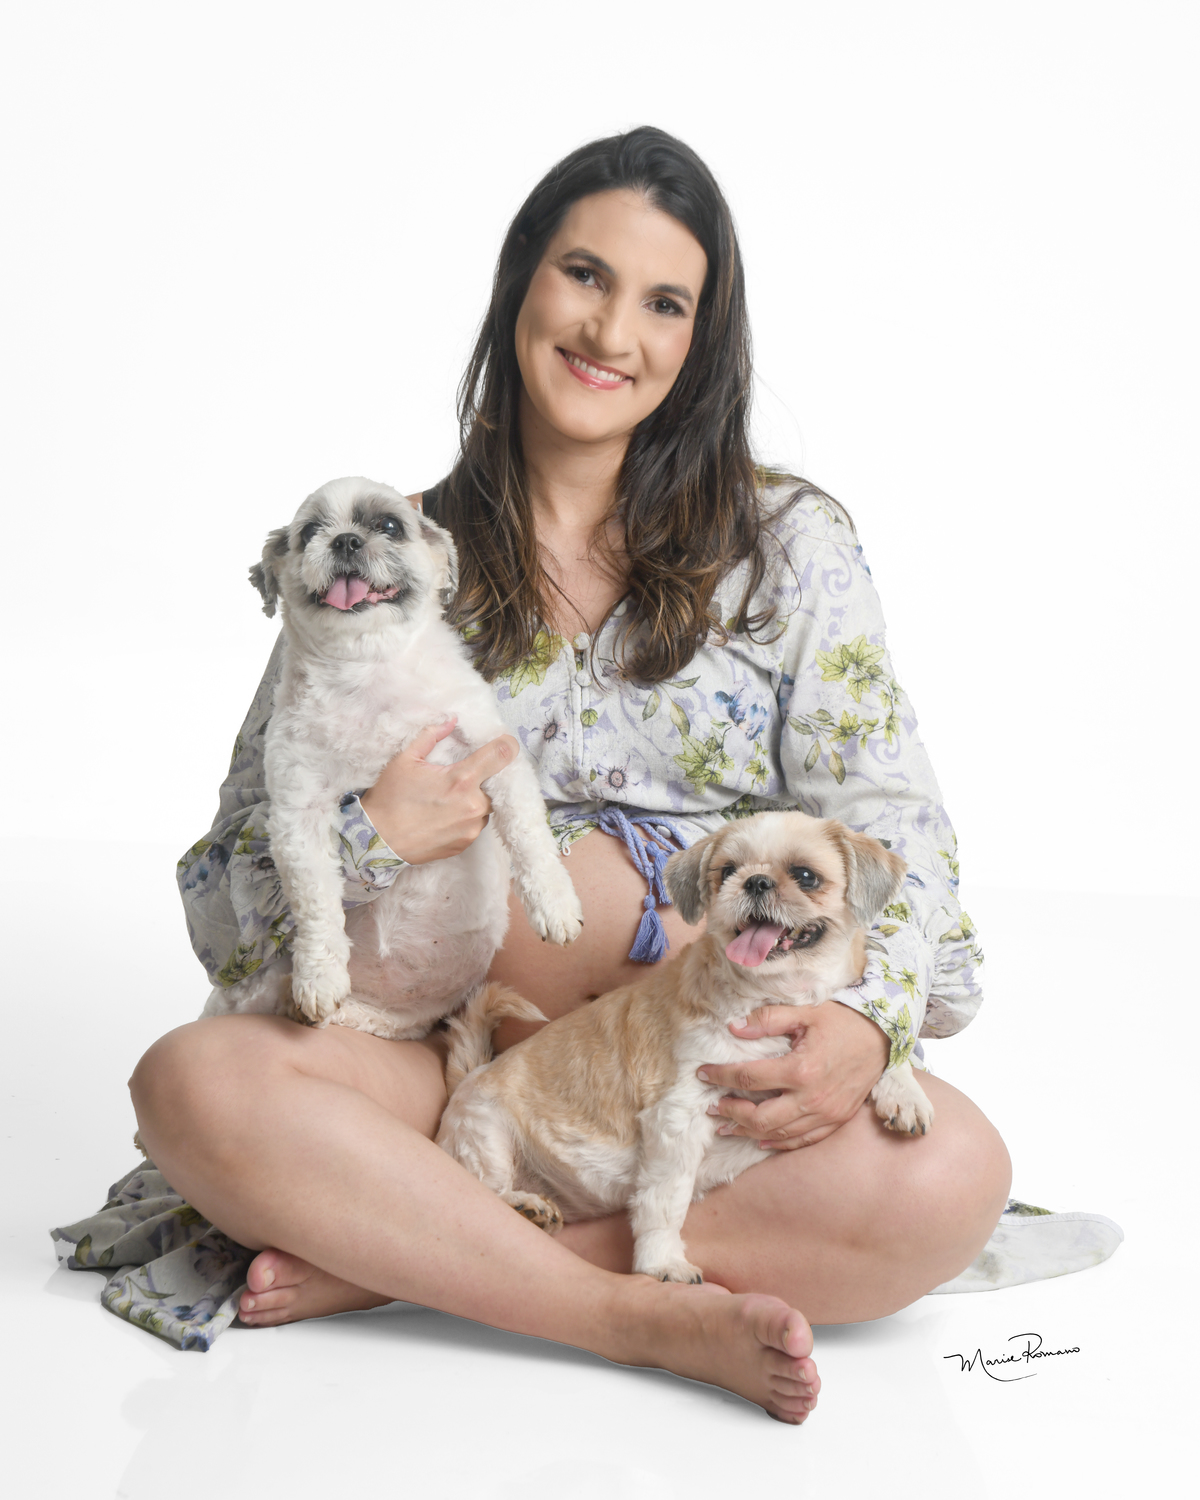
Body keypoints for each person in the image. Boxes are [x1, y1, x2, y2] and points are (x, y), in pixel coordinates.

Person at [127, 127, 1010, 1425]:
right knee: (191, 1086)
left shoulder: (789, 545)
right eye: (585, 275)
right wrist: (372, 834)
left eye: (665, 303)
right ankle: (626, 1311)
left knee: (954, 1176)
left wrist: (868, 1021)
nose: (612, 331)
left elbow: (895, 818)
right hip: (454, 1074)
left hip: (710, 1068)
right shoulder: (384, 555)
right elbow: (221, 899)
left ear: (703, 339)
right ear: (520, 285)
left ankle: (411, 1259)